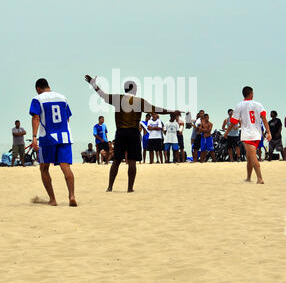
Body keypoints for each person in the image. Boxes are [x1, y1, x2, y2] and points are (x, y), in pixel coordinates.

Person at [85, 74, 179, 192]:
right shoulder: (139, 101)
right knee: (132, 161)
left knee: (117, 160)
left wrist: (93, 84)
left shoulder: (117, 98)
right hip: (134, 133)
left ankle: (110, 187)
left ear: (125, 89)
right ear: (134, 89)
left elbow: (102, 95)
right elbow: (157, 109)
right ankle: (130, 188)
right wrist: (172, 111)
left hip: (120, 133)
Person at [29, 78, 77, 206]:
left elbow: (36, 118)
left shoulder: (37, 99)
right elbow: (67, 119)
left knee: (44, 168)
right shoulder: (63, 98)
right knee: (65, 167)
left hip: (48, 138)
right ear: (48, 86)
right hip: (65, 137)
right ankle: (71, 196)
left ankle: (53, 199)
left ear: (38, 88)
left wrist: (34, 137)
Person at [224, 86, 271, 184]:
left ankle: (260, 178)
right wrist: (268, 132)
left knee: (252, 157)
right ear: (251, 93)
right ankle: (248, 178)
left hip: (248, 135)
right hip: (257, 135)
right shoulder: (258, 104)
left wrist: (227, 131)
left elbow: (233, 121)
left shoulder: (239, 105)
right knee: (249, 157)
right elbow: (264, 118)